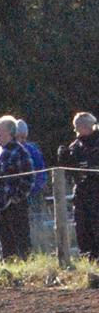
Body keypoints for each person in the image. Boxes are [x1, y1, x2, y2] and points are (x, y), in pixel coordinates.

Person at [0, 115, 34, 260]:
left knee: (22, 245)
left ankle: (27, 272)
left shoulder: (20, 152)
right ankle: (10, 274)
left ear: (9, 133)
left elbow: (28, 179)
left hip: (15, 208)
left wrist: (15, 199)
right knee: (6, 248)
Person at [58, 111, 99, 261]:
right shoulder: (75, 146)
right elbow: (70, 173)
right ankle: (87, 259)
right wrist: (64, 160)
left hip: (96, 192)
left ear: (86, 127)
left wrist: (90, 168)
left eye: (77, 127)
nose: (75, 131)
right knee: (82, 227)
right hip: (81, 193)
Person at [16, 119, 48, 209]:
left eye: (24, 137)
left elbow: (41, 171)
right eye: (20, 137)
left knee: (36, 217)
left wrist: (35, 187)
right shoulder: (4, 150)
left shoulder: (33, 150)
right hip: (15, 194)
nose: (23, 140)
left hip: (33, 193)